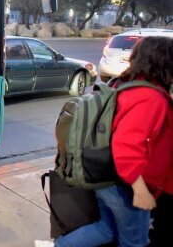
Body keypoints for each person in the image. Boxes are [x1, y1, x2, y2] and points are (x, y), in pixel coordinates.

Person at [36, 36, 173, 247]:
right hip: (126, 186)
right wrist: (140, 190)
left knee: (106, 229)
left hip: (106, 178)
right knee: (134, 242)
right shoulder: (149, 97)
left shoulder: (123, 84)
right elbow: (126, 147)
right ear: (165, 61)